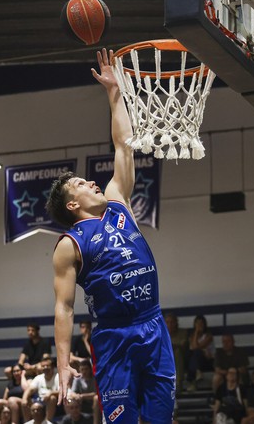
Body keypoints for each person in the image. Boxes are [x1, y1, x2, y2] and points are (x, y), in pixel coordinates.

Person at [48, 48, 176, 423]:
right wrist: (62, 363)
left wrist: (114, 94)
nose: (91, 181)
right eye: (80, 184)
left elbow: (123, 144)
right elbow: (64, 308)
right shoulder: (70, 245)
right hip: (114, 339)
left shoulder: (118, 202)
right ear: (72, 205)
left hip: (153, 326)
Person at [21, 357, 59, 422]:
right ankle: (27, 422)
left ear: (52, 367)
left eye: (47, 366)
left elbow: (62, 391)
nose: (45, 368)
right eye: (43, 366)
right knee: (26, 399)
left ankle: (47, 422)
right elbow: (30, 390)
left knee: (52, 398)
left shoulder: (58, 377)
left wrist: (50, 393)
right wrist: (24, 399)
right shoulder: (39, 377)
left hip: (54, 401)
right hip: (40, 401)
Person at [187, 314, 215, 391]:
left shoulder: (208, 336)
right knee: (192, 354)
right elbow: (193, 347)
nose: (200, 325)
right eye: (197, 323)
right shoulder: (192, 336)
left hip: (207, 361)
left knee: (197, 352)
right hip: (195, 362)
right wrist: (196, 332)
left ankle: (192, 382)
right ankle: (197, 372)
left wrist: (201, 350)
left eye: (201, 323)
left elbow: (195, 347)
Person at [165, 312, 189, 393]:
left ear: (176, 323)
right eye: (167, 322)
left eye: (172, 322)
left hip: (182, 358)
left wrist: (172, 346)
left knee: (177, 352)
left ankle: (178, 383)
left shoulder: (183, 332)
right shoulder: (161, 334)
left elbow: (183, 345)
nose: (170, 324)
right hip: (165, 358)